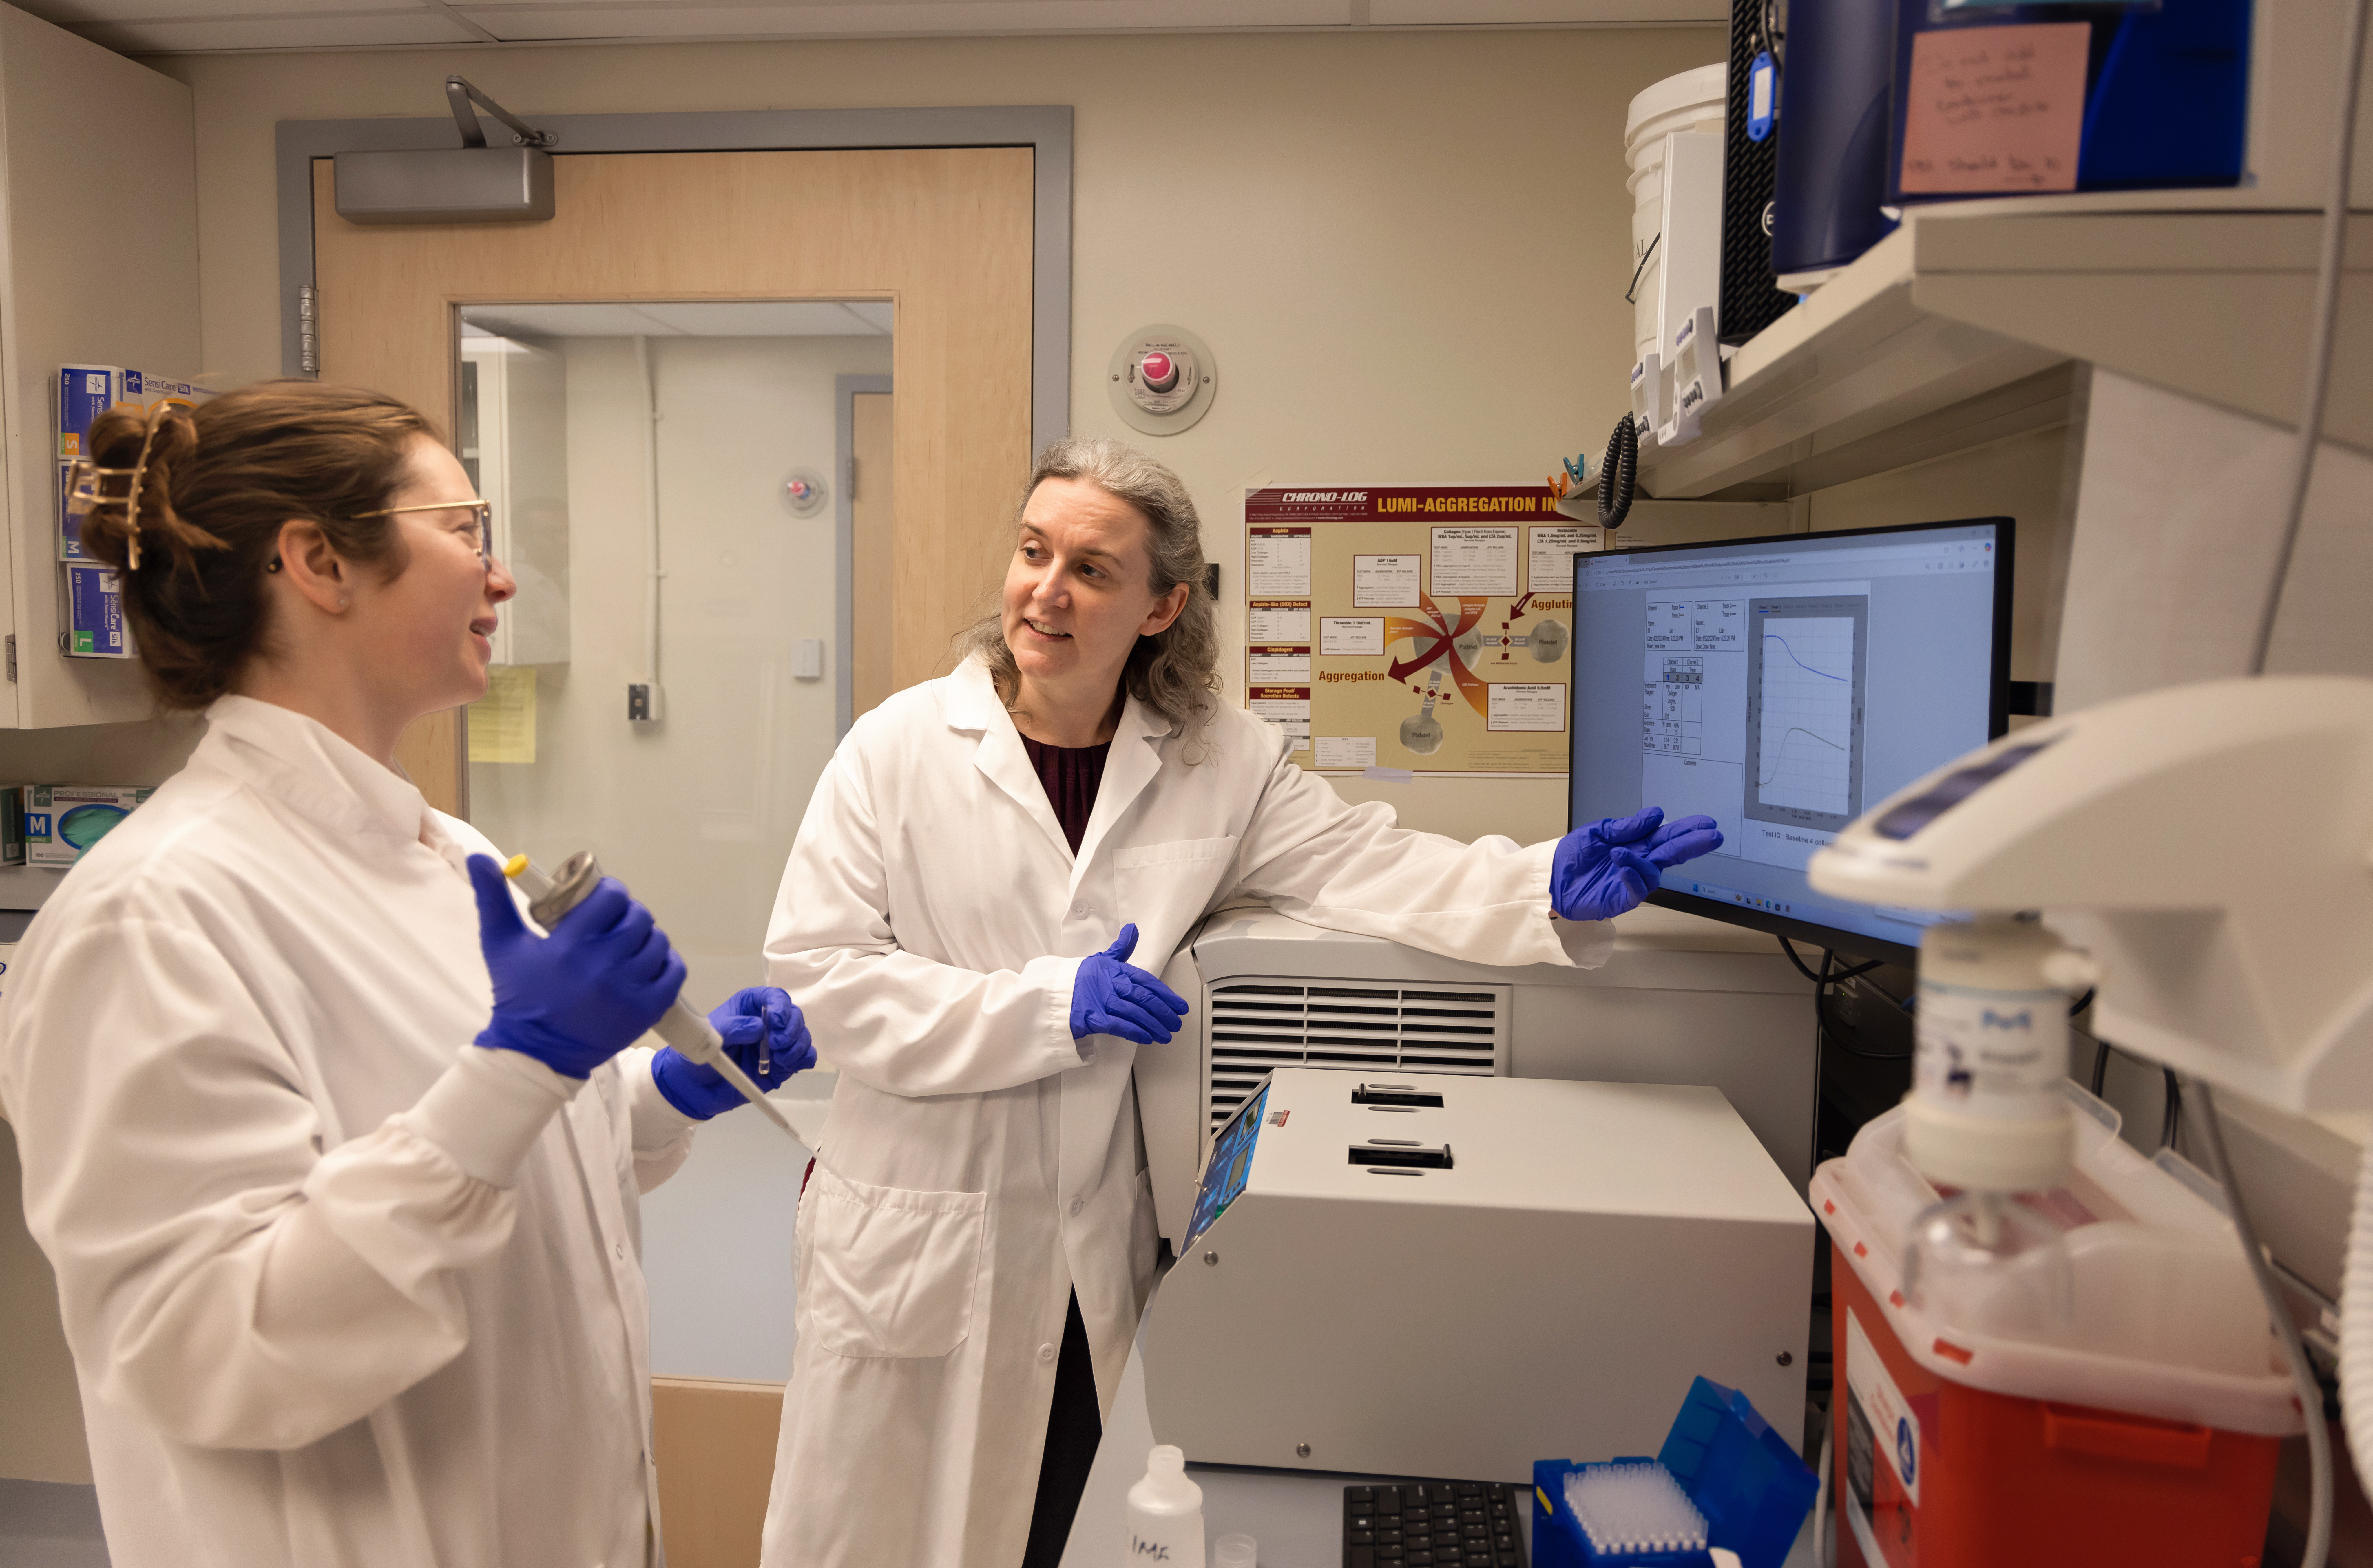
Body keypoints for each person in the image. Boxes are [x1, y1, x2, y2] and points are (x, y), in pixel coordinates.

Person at [757, 436, 1720, 1567]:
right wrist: (1048, 1004)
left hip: (1084, 1260)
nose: (1046, 592)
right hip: (921, 1239)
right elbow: (820, 981)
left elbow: (1374, 865)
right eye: (1032, 552)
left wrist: (1537, 883)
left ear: (1161, 606)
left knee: (1068, 1527)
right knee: (881, 1536)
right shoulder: (894, 752)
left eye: (1092, 570)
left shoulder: (1220, 759)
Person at [0, 383, 817, 1568]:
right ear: (321, 561)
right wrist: (524, 1061)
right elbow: (209, 1348)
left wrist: (648, 1094)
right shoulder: (150, 917)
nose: (502, 579)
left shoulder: (454, 855)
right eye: (466, 530)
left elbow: (488, 1158)